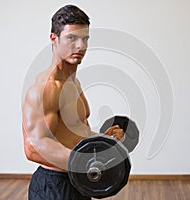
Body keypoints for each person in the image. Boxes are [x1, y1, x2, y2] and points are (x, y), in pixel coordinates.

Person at [22, 5, 124, 200]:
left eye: (85, 39)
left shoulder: (73, 83)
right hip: (54, 184)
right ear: (54, 38)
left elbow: (71, 133)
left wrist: (100, 139)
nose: (80, 46)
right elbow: (33, 148)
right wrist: (85, 161)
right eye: (71, 38)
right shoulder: (46, 89)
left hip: (78, 181)